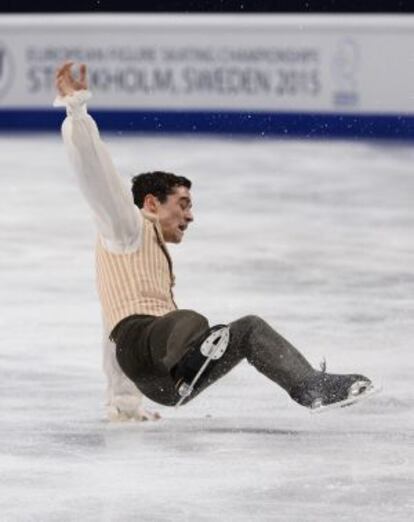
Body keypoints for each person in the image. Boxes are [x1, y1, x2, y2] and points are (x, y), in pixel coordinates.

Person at [54, 62, 372, 419]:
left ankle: (310, 386)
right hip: (146, 346)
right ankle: (194, 357)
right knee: (187, 321)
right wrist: (76, 110)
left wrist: (124, 405)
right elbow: (96, 174)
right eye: (183, 204)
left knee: (249, 329)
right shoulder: (125, 226)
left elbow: (108, 328)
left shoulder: (146, 255)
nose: (189, 216)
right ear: (151, 203)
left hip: (163, 384)